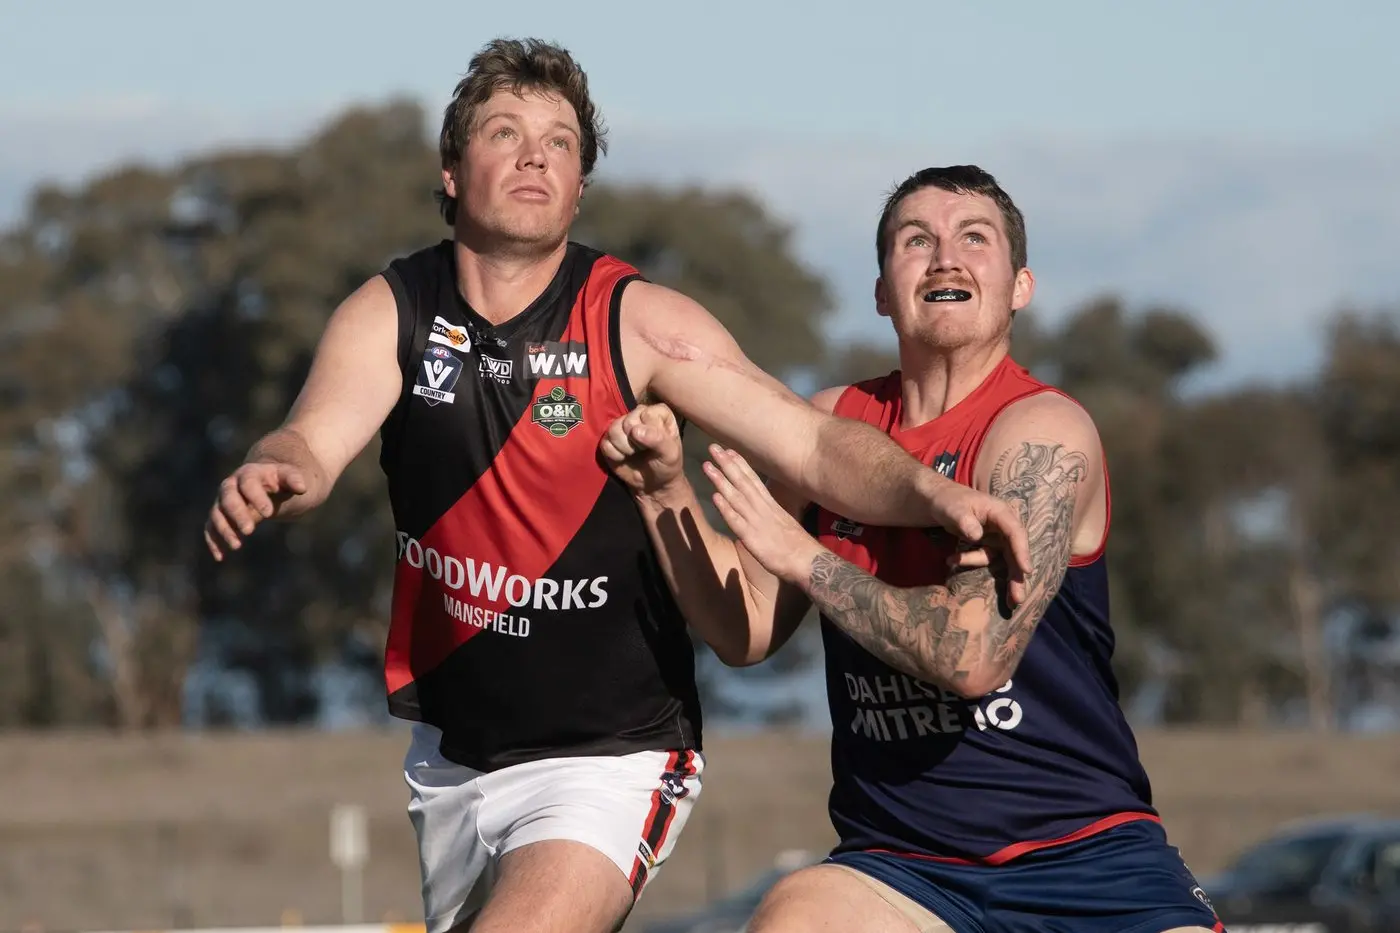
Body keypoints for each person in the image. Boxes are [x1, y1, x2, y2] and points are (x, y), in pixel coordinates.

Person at [200, 38, 1033, 933]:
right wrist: (278, 463)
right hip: (450, 756)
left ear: (581, 185)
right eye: (505, 132)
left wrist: (931, 495)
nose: (534, 155)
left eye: (560, 142)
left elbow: (814, 444)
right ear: (450, 170)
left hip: (613, 756)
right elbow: (314, 436)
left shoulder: (635, 320)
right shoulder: (394, 310)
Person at [600, 165, 1227, 933]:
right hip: (900, 867)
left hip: (1085, 859)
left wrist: (807, 558)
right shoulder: (830, 424)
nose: (945, 258)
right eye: (915, 241)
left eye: (974, 239)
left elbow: (972, 658)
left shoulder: (1043, 433)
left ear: (1020, 285)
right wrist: (665, 490)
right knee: (790, 916)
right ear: (880, 290)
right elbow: (745, 625)